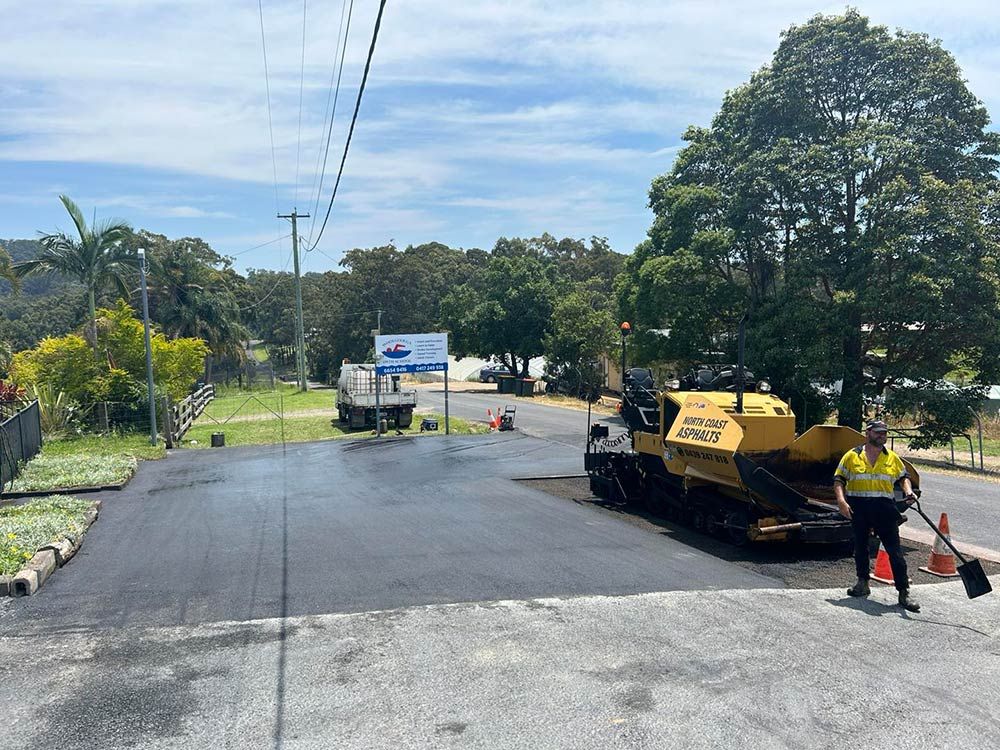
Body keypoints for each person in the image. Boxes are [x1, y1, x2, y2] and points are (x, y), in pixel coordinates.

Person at [833, 419, 920, 612]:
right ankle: (862, 583)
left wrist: (908, 491)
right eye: (878, 432)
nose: (882, 436)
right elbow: (839, 479)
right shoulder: (852, 456)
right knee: (861, 548)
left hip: (884, 509)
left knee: (895, 552)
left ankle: (903, 591)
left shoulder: (892, 458)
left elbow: (903, 477)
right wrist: (841, 501)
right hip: (859, 508)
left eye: (884, 433)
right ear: (868, 433)